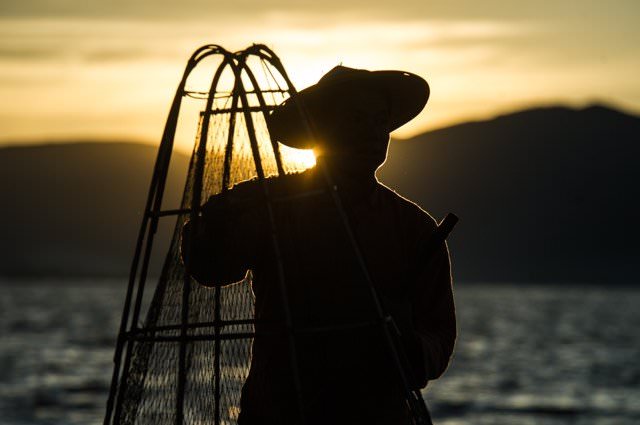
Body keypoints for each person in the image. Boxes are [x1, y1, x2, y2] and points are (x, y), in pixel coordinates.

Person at [182, 66, 456, 425]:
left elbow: (438, 334)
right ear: (321, 129)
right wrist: (212, 225)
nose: (373, 133)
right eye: (357, 119)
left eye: (380, 121)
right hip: (279, 414)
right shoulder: (269, 205)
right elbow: (210, 268)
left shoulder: (415, 228)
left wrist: (411, 351)